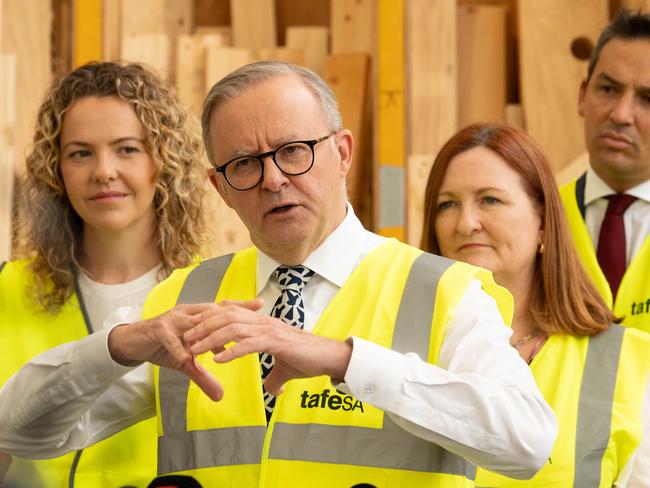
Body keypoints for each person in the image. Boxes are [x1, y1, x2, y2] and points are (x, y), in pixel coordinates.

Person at [0, 62, 557, 487]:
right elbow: (21, 432)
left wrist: (346, 361)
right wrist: (117, 345)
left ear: (341, 153)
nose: (272, 179)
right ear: (220, 188)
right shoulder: (183, 301)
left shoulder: (442, 291)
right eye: (244, 163)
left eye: (294, 151)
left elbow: (527, 442)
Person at [0, 61, 206, 487]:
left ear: (162, 160)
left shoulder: (208, 293)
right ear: (56, 169)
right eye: (80, 153)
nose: (103, 171)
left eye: (127, 148)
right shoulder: (7, 289)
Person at [421, 122, 650, 486]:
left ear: (543, 221)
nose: (465, 223)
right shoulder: (405, 348)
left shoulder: (631, 365)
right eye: (447, 204)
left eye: (489, 200)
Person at [560, 9, 650, 332]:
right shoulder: (538, 220)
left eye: (647, 99)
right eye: (608, 89)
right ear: (583, 95)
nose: (621, 114)